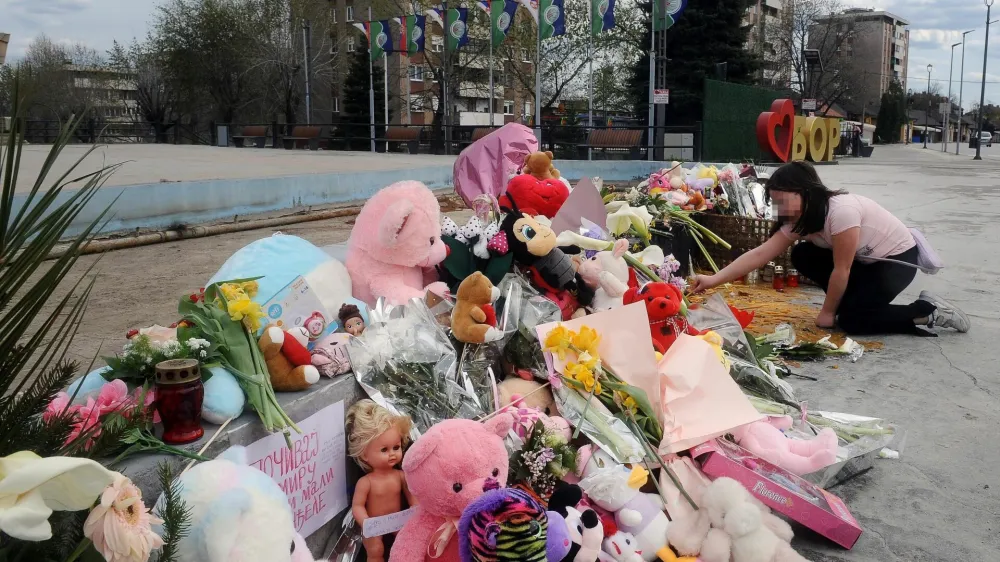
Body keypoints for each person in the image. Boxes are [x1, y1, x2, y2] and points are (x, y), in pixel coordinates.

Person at [690, 161, 970, 336]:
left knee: (853, 321)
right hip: (865, 264)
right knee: (802, 254)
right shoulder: (799, 218)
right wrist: (713, 279)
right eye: (775, 201)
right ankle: (850, 307)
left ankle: (929, 311)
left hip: (895, 262)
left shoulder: (841, 212)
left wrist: (827, 313)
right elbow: (761, 253)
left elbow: (842, 269)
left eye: (783, 199)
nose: (780, 208)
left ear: (807, 192)